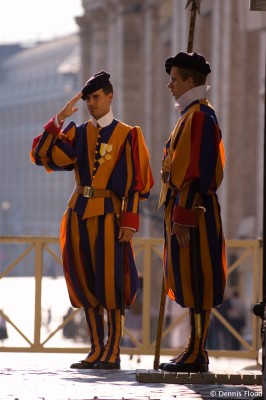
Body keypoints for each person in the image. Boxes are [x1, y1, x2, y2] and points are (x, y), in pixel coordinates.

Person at [30, 71, 154, 370]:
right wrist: (57, 121)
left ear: (110, 97)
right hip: (78, 214)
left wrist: (130, 221)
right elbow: (41, 154)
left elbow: (139, 183)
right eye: (87, 99)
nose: (91, 103)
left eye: (96, 97)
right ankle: (96, 348)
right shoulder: (77, 132)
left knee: (111, 283)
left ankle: (112, 351)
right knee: (84, 281)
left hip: (111, 216)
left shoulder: (129, 134)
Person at [158, 52, 226, 373]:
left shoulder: (199, 116)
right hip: (188, 207)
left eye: (174, 78)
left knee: (199, 279)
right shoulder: (191, 114)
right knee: (190, 278)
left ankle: (197, 352)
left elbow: (196, 169)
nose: (169, 84)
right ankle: (193, 348)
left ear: (189, 81)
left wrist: (183, 214)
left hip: (194, 209)